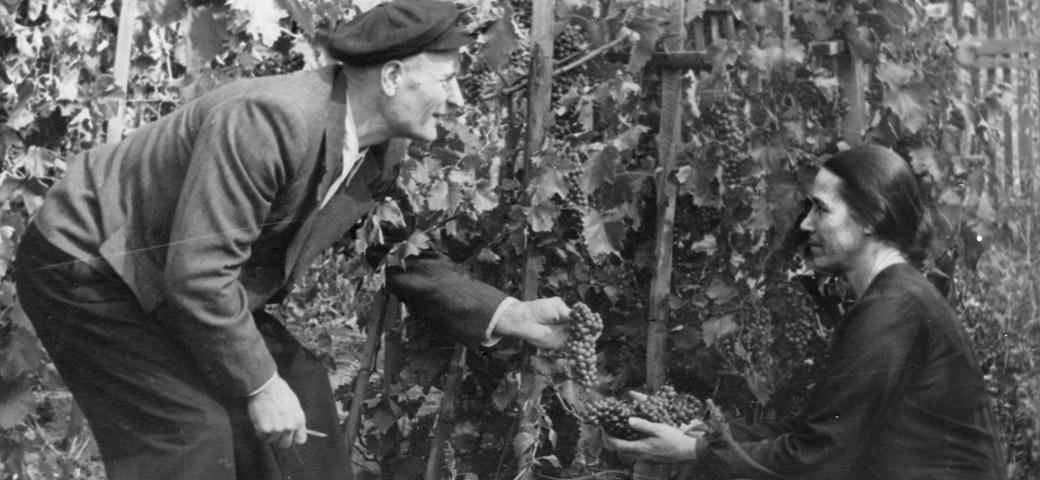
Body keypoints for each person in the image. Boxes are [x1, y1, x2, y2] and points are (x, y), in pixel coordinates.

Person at [13, 2, 572, 480]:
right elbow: (199, 274)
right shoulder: (269, 121)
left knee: (302, 390)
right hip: (85, 265)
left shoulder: (379, 147)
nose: (457, 101)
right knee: (189, 436)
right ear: (394, 77)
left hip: (175, 274)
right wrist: (258, 385)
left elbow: (393, 249)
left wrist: (507, 313)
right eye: (447, 80)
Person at [603, 145, 1006, 479]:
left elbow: (818, 457)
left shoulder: (892, 309)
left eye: (821, 209)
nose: (807, 224)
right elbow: (819, 430)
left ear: (871, 216)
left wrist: (695, 451)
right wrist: (704, 432)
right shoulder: (897, 297)